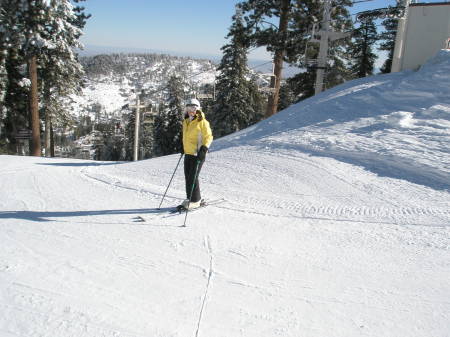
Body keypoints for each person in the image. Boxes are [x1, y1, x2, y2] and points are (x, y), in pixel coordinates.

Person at [180, 98, 213, 210]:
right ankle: (190, 198)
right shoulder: (186, 121)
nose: (191, 110)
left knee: (193, 177)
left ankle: (195, 200)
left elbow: (208, 137)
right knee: (188, 177)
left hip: (198, 154)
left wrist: (204, 149)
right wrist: (182, 146)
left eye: (193, 108)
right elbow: (186, 136)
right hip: (188, 153)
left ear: (198, 109)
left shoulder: (202, 122)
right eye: (188, 108)